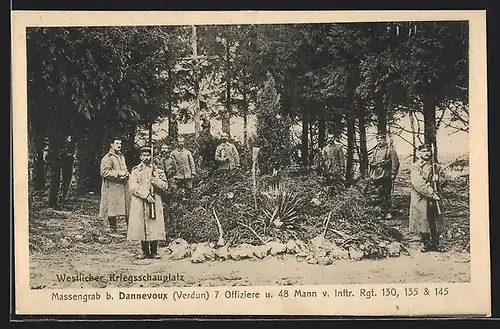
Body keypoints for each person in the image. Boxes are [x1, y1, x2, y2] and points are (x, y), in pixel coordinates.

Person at [127, 146, 169, 259]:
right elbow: (133, 186)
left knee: (153, 225)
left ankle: (154, 251)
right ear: (141, 156)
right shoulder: (136, 170)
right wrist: (146, 195)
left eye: (148, 155)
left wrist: (156, 181)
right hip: (141, 201)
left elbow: (165, 185)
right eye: (144, 155)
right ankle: (144, 251)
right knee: (141, 225)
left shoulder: (157, 170)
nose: (146, 157)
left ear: (151, 156)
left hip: (154, 201)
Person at [409, 144, 445, 252]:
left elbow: (444, 179)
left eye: (428, 151)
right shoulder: (416, 166)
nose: (427, 154)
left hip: (435, 198)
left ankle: (435, 243)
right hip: (421, 197)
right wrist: (432, 193)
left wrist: (438, 179)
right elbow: (418, 183)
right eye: (424, 151)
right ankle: (425, 243)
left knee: (434, 218)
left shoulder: (436, 166)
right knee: (422, 219)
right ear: (420, 153)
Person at [99, 137, 130, 238]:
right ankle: (113, 230)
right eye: (117, 143)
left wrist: (126, 173)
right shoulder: (107, 158)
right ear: (111, 145)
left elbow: (124, 168)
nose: (119, 145)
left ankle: (130, 229)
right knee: (112, 208)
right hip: (111, 187)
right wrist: (118, 173)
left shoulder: (121, 156)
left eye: (120, 143)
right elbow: (104, 172)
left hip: (122, 185)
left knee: (127, 206)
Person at [369, 133, 400, 220]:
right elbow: (371, 162)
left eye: (381, 140)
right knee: (379, 194)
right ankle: (380, 212)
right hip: (377, 175)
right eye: (378, 140)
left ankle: (387, 212)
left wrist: (393, 173)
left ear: (385, 141)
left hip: (386, 175)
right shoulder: (376, 150)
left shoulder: (390, 150)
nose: (379, 142)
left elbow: (395, 163)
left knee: (386, 194)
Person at [60, 135, 76, 202]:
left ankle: (64, 196)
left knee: (67, 181)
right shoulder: (62, 144)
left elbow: (73, 154)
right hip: (64, 165)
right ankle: (61, 196)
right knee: (63, 181)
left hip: (69, 165)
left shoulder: (72, 145)